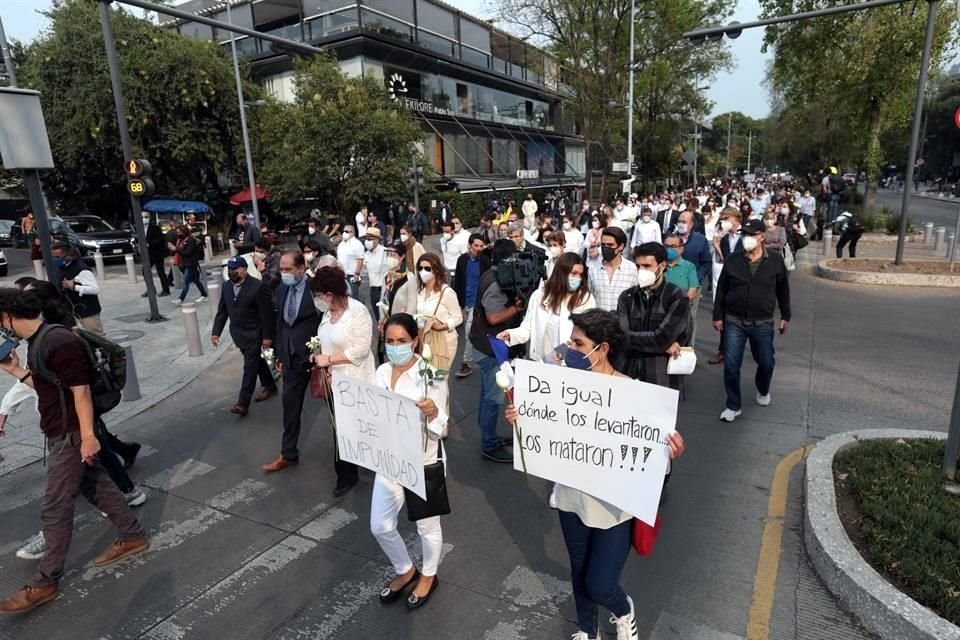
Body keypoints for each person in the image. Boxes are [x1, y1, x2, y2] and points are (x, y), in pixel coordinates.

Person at [505, 309, 686, 640]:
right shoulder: (559, 386)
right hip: (573, 500)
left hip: (614, 510)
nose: (570, 349)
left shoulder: (633, 394)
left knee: (600, 583)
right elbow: (543, 435)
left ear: (601, 349)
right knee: (579, 572)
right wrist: (522, 418)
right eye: (571, 342)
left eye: (578, 343)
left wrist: (669, 453)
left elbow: (651, 460)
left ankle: (623, 609)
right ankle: (588, 630)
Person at [0, 290, 148, 614]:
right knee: (97, 486)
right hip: (62, 431)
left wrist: (87, 437)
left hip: (71, 436)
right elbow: (47, 387)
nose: (2, 328)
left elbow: (81, 392)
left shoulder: (58, 342)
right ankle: (133, 534)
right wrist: (15, 371)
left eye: (0, 320)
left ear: (9, 314)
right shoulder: (38, 342)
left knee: (55, 506)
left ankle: (45, 581)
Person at [372, 313, 448, 610]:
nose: (395, 346)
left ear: (415, 341)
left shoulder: (432, 376)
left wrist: (432, 413)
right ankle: (405, 569)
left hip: (422, 461)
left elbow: (443, 427)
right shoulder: (380, 372)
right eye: (390, 341)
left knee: (427, 527)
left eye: (402, 341)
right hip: (389, 460)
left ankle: (429, 575)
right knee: (380, 525)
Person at [713, 219, 791, 423]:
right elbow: (721, 289)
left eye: (751, 234)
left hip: (762, 322)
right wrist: (717, 316)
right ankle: (733, 405)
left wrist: (785, 316)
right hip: (734, 320)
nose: (746, 238)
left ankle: (763, 389)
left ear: (762, 237)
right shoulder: (733, 260)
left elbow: (783, 290)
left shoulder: (774, 260)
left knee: (765, 362)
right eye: (744, 234)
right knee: (731, 365)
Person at [310, 266, 375, 495]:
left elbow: (360, 349)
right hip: (332, 381)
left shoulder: (356, 312)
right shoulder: (327, 314)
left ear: (330, 293)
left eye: (319, 295)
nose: (317, 300)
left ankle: (373, 463)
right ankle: (346, 475)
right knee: (339, 430)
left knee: (360, 427)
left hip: (355, 379)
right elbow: (324, 340)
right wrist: (317, 355)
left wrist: (329, 359)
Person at [262, 251, 320, 473]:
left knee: (334, 407)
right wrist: (278, 353)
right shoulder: (282, 288)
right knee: (290, 406)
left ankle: (347, 460)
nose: (284, 273)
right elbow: (280, 322)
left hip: (317, 358)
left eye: (288, 270)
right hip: (290, 358)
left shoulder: (316, 289)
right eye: (282, 270)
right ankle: (288, 454)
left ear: (301, 268)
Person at [469, 239, 524, 463]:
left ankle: (488, 435)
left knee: (486, 395)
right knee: (494, 399)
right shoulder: (495, 282)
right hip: (491, 349)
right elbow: (493, 317)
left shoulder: (490, 274)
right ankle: (488, 445)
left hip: (485, 345)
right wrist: (515, 308)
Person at [212, 256, 278, 417]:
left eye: (234, 269)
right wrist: (216, 332)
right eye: (229, 269)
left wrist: (267, 337)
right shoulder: (227, 286)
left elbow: (266, 315)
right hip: (238, 335)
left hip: (255, 334)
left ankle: (243, 403)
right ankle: (270, 386)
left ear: (244, 269)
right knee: (258, 363)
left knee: (249, 368)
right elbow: (222, 311)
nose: (231, 272)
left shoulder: (257, 287)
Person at [618, 244, 688, 385]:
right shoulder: (627, 297)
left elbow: (663, 338)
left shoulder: (676, 296)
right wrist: (661, 345)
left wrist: (661, 343)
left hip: (659, 375)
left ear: (661, 266)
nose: (641, 271)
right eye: (638, 266)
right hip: (628, 371)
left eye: (647, 266)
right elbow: (620, 335)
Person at [414, 253, 463, 374]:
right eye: (420, 268)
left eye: (427, 268)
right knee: (425, 377)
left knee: (440, 379)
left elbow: (458, 317)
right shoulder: (419, 291)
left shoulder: (446, 292)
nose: (423, 271)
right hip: (424, 339)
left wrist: (442, 326)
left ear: (435, 270)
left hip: (445, 341)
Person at [708, 209, 743, 365]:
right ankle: (723, 352)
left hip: (743, 285)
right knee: (725, 318)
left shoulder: (747, 237)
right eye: (721, 219)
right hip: (728, 282)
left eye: (726, 218)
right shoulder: (725, 239)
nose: (723, 221)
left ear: (736, 219)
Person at [453, 234, 490, 378]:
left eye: (481, 246)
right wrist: (459, 305)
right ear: (469, 245)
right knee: (470, 333)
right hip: (465, 303)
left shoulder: (485, 262)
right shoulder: (462, 260)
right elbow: (458, 282)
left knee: (468, 333)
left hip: (477, 304)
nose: (479, 249)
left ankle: (466, 363)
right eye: (476, 246)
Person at [50, 243, 104, 335]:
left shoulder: (81, 269)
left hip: (87, 310)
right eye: (54, 257)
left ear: (68, 254)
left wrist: (75, 287)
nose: (56, 260)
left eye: (58, 257)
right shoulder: (61, 268)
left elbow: (95, 289)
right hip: (70, 309)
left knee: (96, 336)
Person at [662, 236, 700, 346]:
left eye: (673, 246)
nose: (669, 249)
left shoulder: (689, 267)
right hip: (661, 311)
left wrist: (678, 306)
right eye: (666, 246)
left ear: (681, 249)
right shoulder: (660, 266)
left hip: (681, 312)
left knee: (682, 345)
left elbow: (693, 290)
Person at [588, 227, 637, 312]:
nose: (606, 248)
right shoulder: (593, 269)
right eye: (603, 245)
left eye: (610, 245)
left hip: (621, 323)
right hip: (598, 322)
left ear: (621, 246)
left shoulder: (631, 269)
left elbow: (635, 301)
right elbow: (589, 298)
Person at [172, 225, 208, 306]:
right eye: (177, 232)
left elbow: (188, 252)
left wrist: (176, 249)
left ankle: (181, 299)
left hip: (190, 263)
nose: (178, 234)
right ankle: (204, 294)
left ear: (184, 232)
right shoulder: (180, 240)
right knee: (196, 280)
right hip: (184, 263)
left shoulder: (191, 240)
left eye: (179, 232)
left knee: (186, 282)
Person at [362, 228, 389, 322]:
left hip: (384, 288)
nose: (367, 241)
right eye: (366, 239)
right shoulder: (366, 254)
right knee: (377, 317)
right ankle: (380, 335)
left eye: (370, 239)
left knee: (386, 316)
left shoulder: (385, 252)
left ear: (377, 239)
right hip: (373, 289)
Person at [336, 224, 366, 299]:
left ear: (352, 232)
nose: (344, 233)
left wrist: (357, 273)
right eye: (343, 231)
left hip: (353, 275)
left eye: (346, 231)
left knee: (353, 295)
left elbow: (360, 259)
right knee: (344, 296)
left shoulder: (357, 244)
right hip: (342, 274)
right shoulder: (341, 244)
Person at [145, 221, 171, 297]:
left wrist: (149, 243)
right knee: (145, 271)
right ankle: (151, 289)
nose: (144, 219)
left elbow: (160, 239)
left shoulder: (155, 228)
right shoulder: (140, 228)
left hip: (157, 253)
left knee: (161, 272)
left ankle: (166, 290)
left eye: (146, 217)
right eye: (142, 217)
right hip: (148, 254)